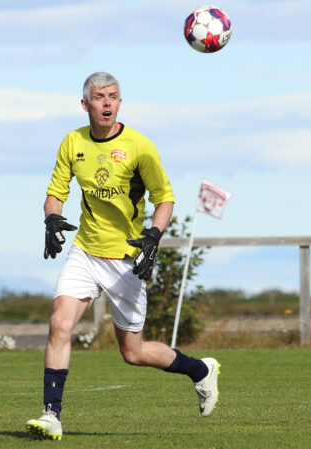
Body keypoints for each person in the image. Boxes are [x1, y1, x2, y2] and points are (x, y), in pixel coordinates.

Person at [26, 72, 220, 441]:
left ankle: (200, 370)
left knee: (133, 352)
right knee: (59, 323)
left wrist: (153, 237)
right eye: (100, 97)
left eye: (113, 96)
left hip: (126, 259)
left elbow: (165, 198)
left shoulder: (139, 146)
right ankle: (51, 414)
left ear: (120, 102)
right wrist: (51, 218)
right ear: (85, 104)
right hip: (86, 251)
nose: (107, 103)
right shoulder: (72, 142)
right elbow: (56, 192)